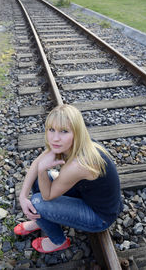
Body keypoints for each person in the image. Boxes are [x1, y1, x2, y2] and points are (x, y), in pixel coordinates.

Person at [14, 104, 123, 253]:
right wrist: (22, 196)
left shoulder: (78, 165)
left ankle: (58, 242)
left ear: (76, 132)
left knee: (37, 202)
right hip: (87, 195)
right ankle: (40, 221)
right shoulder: (73, 143)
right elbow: (36, 163)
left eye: (64, 131)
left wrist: (42, 170)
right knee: (37, 180)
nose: (55, 138)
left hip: (100, 216)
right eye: (51, 130)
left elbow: (47, 196)